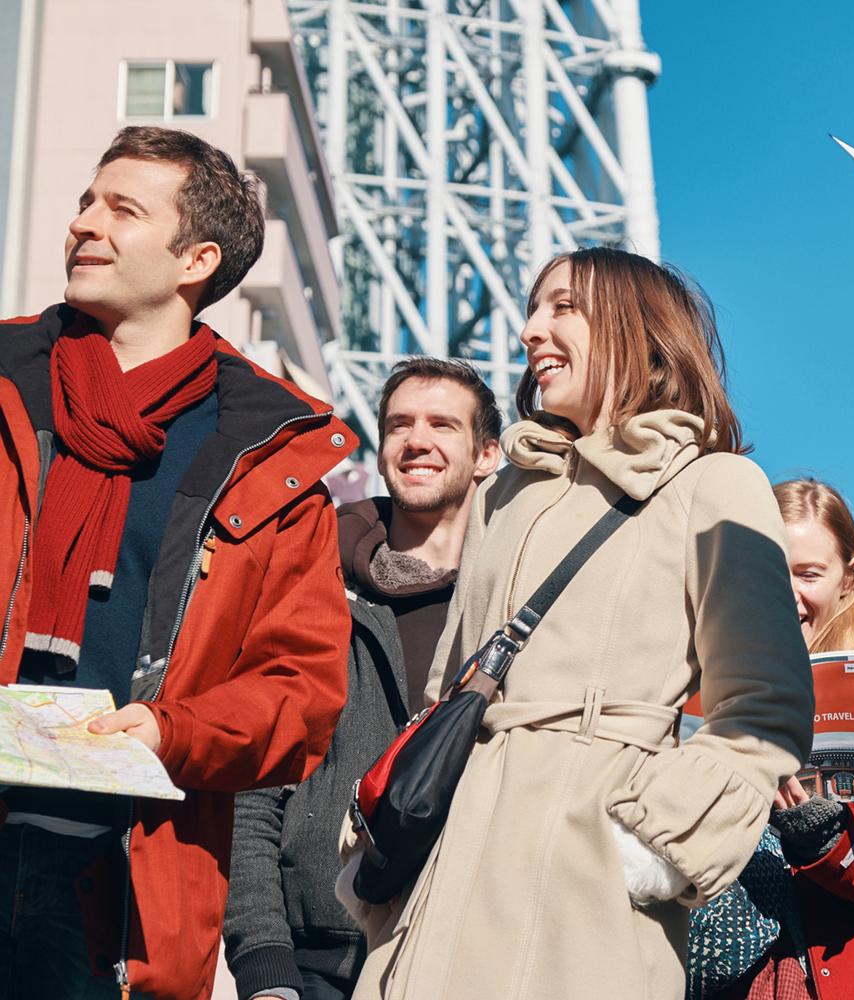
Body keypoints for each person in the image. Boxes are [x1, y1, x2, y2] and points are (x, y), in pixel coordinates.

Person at [340, 246, 814, 1000]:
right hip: (452, 860)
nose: (531, 329)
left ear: (635, 325)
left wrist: (650, 849)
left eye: (563, 307)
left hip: (585, 874)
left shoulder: (714, 485)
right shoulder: (504, 498)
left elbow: (766, 705)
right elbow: (448, 691)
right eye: (532, 309)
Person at [0, 126, 353, 999]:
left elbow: (301, 689)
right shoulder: (6, 375)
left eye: (124, 209)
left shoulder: (267, 452)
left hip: (120, 880)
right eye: (88, 200)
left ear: (197, 259)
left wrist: (172, 732)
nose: (87, 223)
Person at [224, 358, 501, 1000]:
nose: (417, 441)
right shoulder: (312, 584)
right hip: (316, 960)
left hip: (466, 956)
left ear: (488, 455)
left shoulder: (511, 608)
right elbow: (255, 784)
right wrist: (264, 965)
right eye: (399, 424)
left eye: (442, 424)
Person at [694, 478, 854, 1000]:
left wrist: (824, 834)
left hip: (822, 974)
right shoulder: (691, 685)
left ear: (849, 580)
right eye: (771, 570)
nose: (788, 594)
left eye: (809, 574)